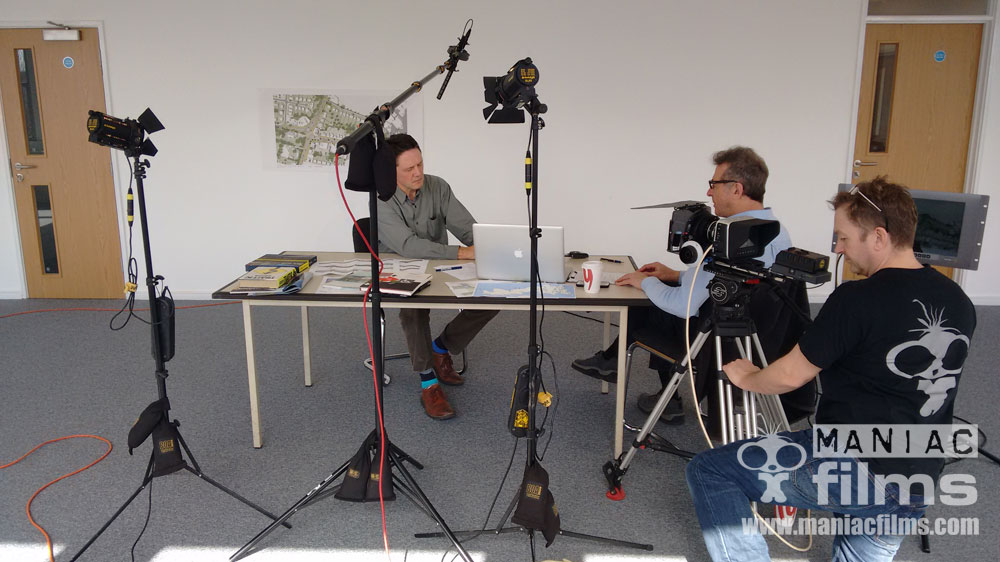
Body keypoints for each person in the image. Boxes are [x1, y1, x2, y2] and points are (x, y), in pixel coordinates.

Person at [685, 176, 976, 561]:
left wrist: (748, 377)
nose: (837, 248)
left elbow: (791, 376)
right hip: (918, 481)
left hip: (855, 466)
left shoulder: (857, 299)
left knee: (710, 470)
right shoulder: (959, 301)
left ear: (878, 237)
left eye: (843, 238)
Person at [571, 146, 792, 422]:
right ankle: (615, 364)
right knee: (657, 289)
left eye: (714, 184)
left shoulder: (727, 242)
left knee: (645, 302)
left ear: (736, 189)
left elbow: (682, 306)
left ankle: (652, 387)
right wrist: (675, 275)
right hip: (760, 340)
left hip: (712, 342)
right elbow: (727, 283)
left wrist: (645, 282)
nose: (709, 192)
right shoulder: (775, 231)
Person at [377, 134, 498, 420]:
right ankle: (429, 383)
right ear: (391, 171)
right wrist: (462, 253)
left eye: (420, 164)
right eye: (409, 169)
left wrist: (489, 248)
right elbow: (408, 246)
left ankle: (440, 348)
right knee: (413, 311)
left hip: (440, 268)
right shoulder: (381, 199)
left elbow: (467, 229)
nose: (418, 172)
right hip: (400, 272)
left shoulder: (438, 187)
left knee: (494, 295)